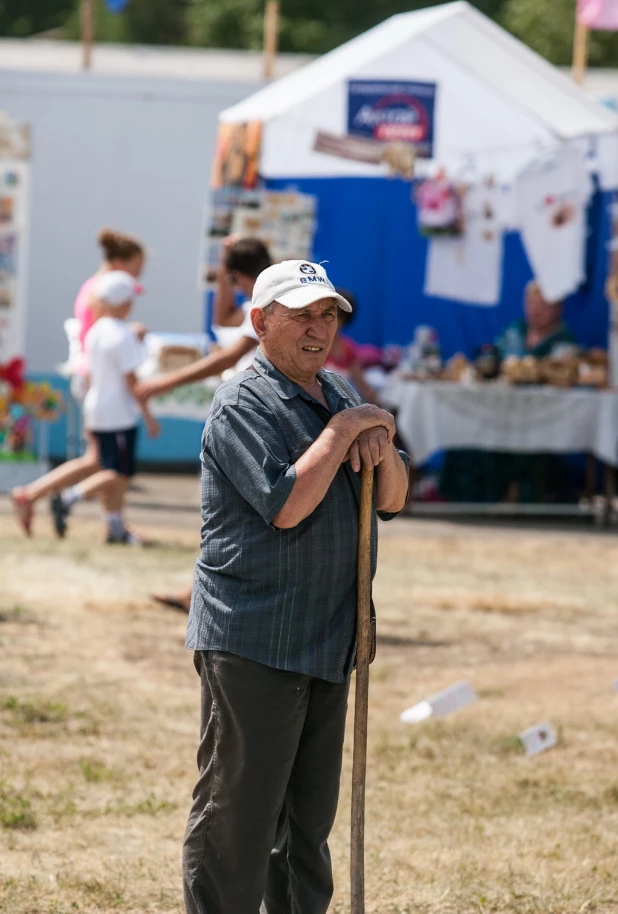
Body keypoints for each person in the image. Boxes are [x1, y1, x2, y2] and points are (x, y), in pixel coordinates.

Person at [182, 260, 410, 914]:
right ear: (260, 322)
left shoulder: (337, 392)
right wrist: (346, 431)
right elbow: (286, 505)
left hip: (330, 635)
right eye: (302, 314)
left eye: (329, 315)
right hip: (255, 638)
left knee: (306, 826)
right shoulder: (242, 403)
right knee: (239, 820)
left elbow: (391, 499)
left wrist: (382, 440)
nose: (319, 328)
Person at [137, 235, 271, 611]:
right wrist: (224, 265)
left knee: (231, 510)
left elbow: (227, 353)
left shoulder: (265, 302)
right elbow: (221, 319)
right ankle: (200, 591)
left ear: (238, 275)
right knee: (234, 510)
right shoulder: (258, 299)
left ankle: (202, 593)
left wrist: (165, 382)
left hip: (256, 415)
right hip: (253, 412)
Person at [10, 228, 146, 537]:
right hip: (97, 381)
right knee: (108, 463)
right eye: (136, 269)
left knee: (101, 460)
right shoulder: (104, 293)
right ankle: (34, 495)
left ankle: (113, 525)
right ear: (122, 264)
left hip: (92, 381)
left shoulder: (93, 288)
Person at [51, 270, 159, 544]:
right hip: (118, 412)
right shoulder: (122, 334)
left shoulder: (96, 330)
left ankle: (114, 528)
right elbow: (132, 380)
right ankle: (69, 497)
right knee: (119, 474)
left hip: (96, 406)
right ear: (124, 302)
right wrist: (148, 416)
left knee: (110, 469)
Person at [496, 280, 577, 360]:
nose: (534, 311)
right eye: (531, 303)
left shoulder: (566, 347)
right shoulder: (513, 332)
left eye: (542, 305)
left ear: (558, 308)